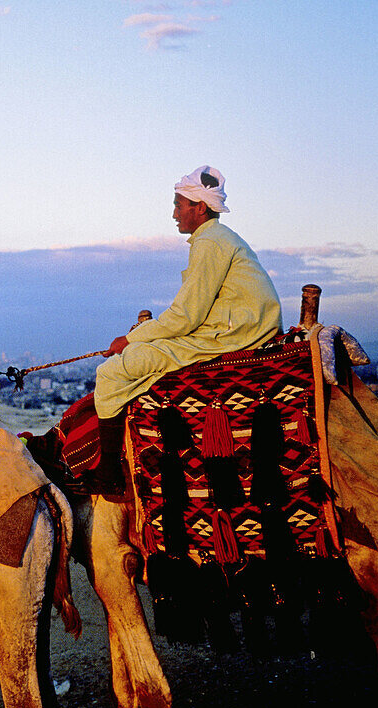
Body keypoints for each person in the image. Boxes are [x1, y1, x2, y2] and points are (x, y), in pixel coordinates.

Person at [93, 166, 283, 486]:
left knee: (113, 372)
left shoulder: (210, 241)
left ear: (199, 207)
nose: (174, 214)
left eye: (179, 205)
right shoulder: (216, 238)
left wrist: (130, 338)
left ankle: (109, 474)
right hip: (232, 328)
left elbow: (185, 317)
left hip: (231, 336)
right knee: (141, 351)